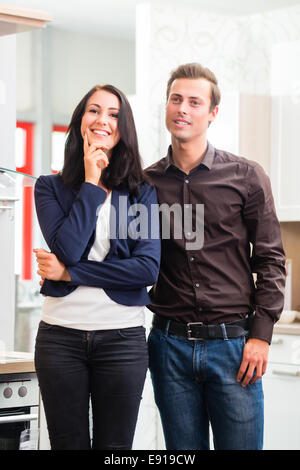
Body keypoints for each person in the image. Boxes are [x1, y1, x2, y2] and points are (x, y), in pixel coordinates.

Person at [145, 63, 286, 450]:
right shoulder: (145, 183)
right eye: (176, 99)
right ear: (167, 107)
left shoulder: (246, 176)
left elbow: (271, 260)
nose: (183, 109)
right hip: (168, 346)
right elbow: (131, 259)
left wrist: (261, 335)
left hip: (235, 347)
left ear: (212, 113)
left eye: (194, 101)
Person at [33, 84, 160, 450]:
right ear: (80, 121)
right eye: (94, 110)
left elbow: (146, 269)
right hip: (60, 339)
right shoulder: (49, 188)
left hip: (122, 340)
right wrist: (91, 180)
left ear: (124, 129)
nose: (103, 119)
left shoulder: (141, 193)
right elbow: (69, 247)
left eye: (114, 114)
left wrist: (70, 273)